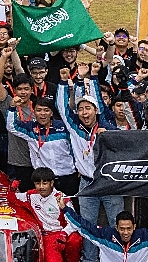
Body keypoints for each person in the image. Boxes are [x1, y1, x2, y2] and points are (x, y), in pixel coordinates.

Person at [54, 69, 124, 262]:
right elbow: (61, 107)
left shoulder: (108, 129)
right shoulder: (74, 127)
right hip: (87, 184)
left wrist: (109, 136)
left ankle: (116, 259)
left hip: (110, 183)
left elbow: (125, 146)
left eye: (89, 108)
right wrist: (62, 81)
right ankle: (90, 259)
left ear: (96, 110)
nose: (85, 113)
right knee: (88, 227)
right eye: (81, 109)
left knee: (116, 225)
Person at [64, 199, 148, 262]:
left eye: (129, 229)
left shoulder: (145, 238)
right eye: (122, 229)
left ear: (134, 227)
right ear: (116, 228)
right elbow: (84, 226)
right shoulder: (105, 236)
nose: (125, 233)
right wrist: (65, 209)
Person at [6, 96, 76, 194]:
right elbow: (11, 126)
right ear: (34, 112)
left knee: (71, 207)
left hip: (68, 176)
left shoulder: (63, 126)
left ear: (51, 113)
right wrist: (12, 107)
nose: (42, 114)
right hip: (44, 180)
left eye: (46, 110)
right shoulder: (30, 129)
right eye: (38, 110)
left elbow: (74, 148)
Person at [15, 168, 82, 262]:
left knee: (75, 240)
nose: (41, 187)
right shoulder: (30, 196)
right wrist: (13, 188)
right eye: (38, 183)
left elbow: (74, 222)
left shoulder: (62, 198)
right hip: (48, 237)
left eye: (45, 183)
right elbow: (13, 198)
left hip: (63, 233)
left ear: (52, 183)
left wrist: (64, 235)